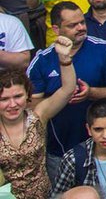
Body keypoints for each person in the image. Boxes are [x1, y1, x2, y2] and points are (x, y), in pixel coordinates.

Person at [29, 2, 106, 180]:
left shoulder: (104, 49)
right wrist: (61, 97)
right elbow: (31, 105)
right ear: (56, 29)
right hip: (59, 150)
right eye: (72, 25)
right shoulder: (42, 59)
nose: (80, 28)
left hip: (103, 147)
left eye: (82, 22)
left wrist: (91, 93)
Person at [0, 35, 76, 199]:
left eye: (18, 96)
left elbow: (68, 89)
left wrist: (64, 59)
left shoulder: (38, 116)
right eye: (4, 99)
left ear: (27, 95)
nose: (12, 104)